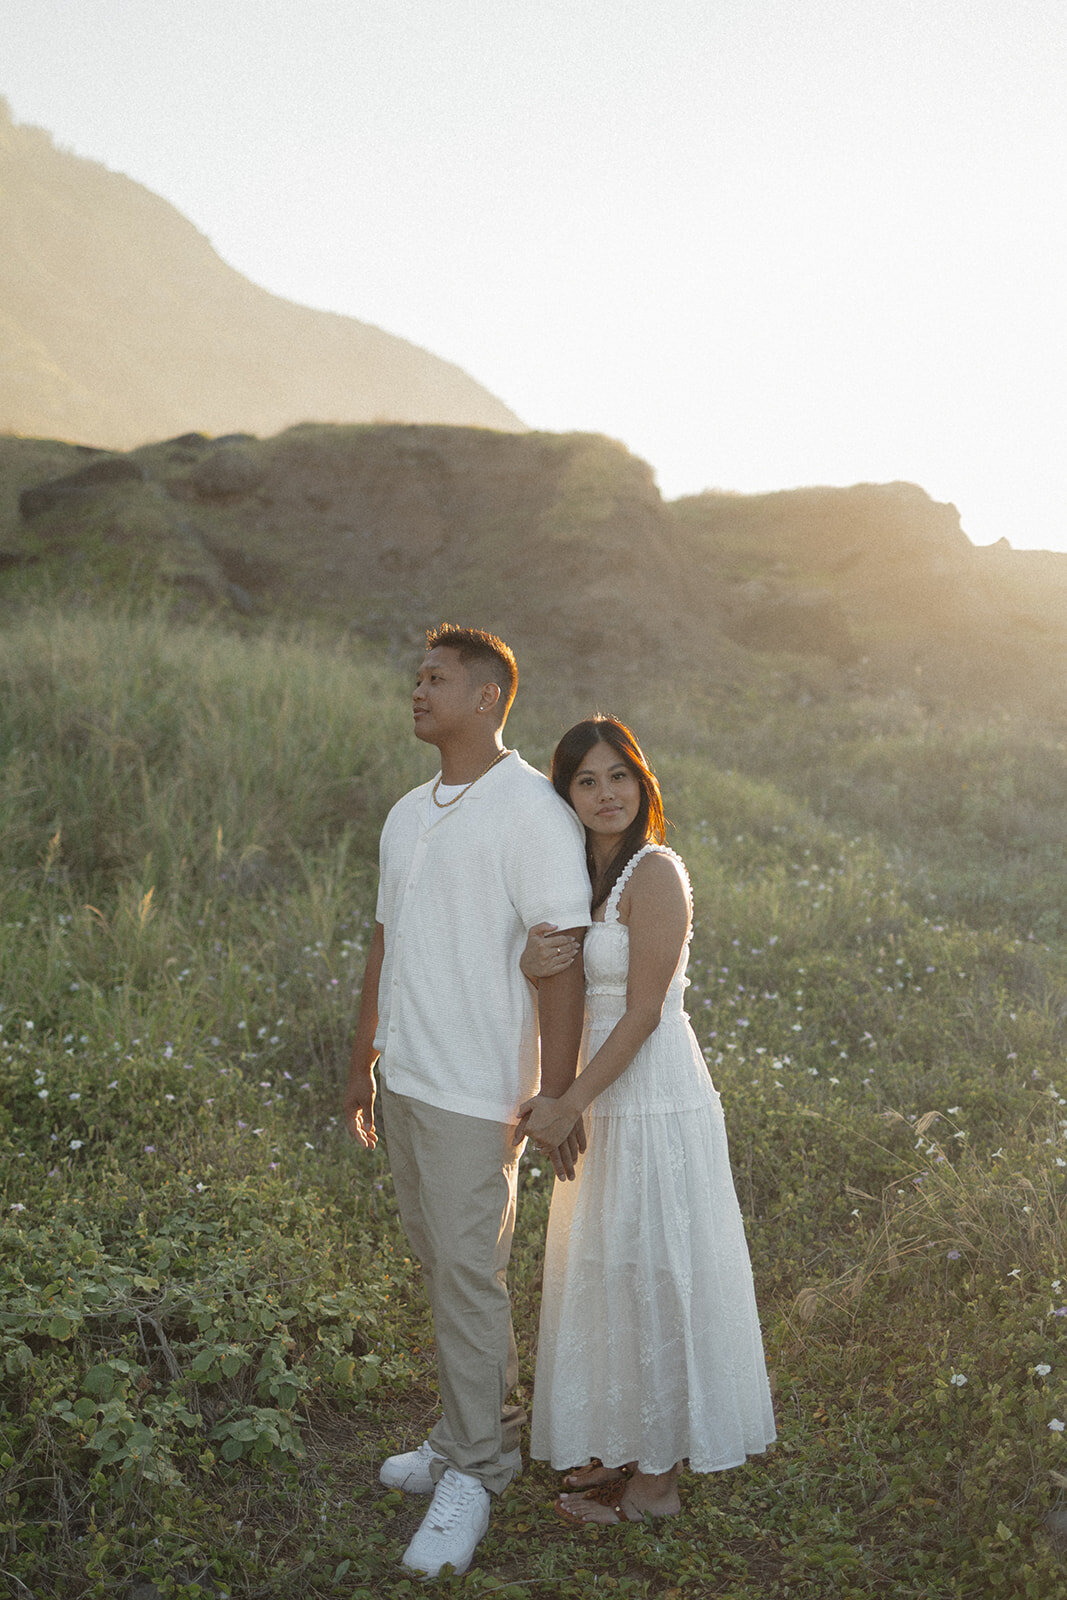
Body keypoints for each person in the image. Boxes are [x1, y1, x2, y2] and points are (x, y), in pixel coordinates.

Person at [342, 624, 591, 1578]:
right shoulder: (408, 812)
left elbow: (560, 959)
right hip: (408, 1076)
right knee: (446, 1268)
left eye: (436, 678)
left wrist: (555, 1094)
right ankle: (469, 1433)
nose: (417, 691)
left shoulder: (531, 812)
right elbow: (384, 940)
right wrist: (363, 1059)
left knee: (467, 1275)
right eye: (416, 677)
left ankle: (477, 1472)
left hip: (477, 1089)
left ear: (488, 697)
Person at [515, 715, 776, 1524]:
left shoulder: (654, 872)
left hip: (651, 1093)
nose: (606, 794)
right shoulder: (576, 879)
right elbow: (558, 983)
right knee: (608, 1266)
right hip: (599, 1093)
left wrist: (568, 1103)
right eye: (586, 780)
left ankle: (656, 1484)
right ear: (564, 795)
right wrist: (529, 969)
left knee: (657, 1271)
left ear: (642, 782)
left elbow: (643, 1014)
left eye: (619, 776)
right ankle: (621, 1441)